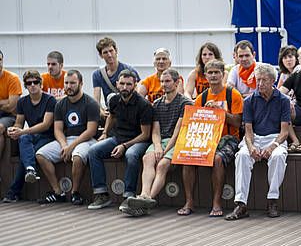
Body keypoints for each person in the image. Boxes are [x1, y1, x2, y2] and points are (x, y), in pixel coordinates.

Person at [121, 69, 193, 216]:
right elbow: (155, 131)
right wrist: (158, 146)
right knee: (147, 158)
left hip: (178, 141)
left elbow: (177, 132)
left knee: (162, 164)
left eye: (167, 81)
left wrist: (165, 152)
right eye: (162, 81)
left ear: (176, 82)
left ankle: (147, 201)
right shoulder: (157, 103)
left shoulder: (185, 103)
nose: (164, 84)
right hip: (161, 140)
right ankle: (144, 195)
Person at [227, 63, 290, 220]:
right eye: (258, 80)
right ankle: (241, 204)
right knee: (241, 156)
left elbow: (284, 132)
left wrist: (272, 146)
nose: (260, 83)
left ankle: (272, 200)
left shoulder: (283, 100)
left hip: (275, 138)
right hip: (254, 138)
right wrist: (251, 147)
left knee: (277, 157)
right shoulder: (249, 101)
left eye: (264, 80)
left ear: (273, 81)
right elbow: (248, 131)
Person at [181, 59, 243, 217]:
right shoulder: (201, 98)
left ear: (223, 74)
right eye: (210, 73)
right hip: (206, 139)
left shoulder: (233, 94)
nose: (214, 75)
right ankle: (189, 202)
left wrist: (220, 111)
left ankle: (217, 202)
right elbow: (194, 122)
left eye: (217, 72)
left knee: (217, 159)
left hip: (229, 139)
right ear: (205, 76)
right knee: (187, 157)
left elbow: (238, 122)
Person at [87, 70, 153, 210]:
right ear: (117, 84)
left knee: (131, 154)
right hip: (118, 138)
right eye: (122, 83)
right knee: (93, 151)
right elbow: (111, 116)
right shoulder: (114, 100)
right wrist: (105, 133)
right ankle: (101, 194)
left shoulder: (144, 105)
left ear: (135, 85)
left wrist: (124, 145)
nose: (125, 87)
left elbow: (145, 135)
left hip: (139, 141)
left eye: (129, 84)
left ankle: (128, 196)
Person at [35, 70, 100, 205]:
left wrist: (71, 146)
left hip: (86, 140)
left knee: (77, 156)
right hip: (67, 140)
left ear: (81, 84)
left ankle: (75, 192)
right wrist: (64, 145)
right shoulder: (60, 104)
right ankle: (58, 192)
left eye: (72, 83)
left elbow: (91, 131)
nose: (69, 86)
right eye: (66, 83)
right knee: (41, 154)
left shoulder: (90, 103)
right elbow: (57, 130)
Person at [2, 71, 56, 202]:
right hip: (31, 136)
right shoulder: (22, 102)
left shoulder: (50, 100)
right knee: (24, 139)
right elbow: (19, 122)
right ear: (25, 86)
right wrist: (14, 129)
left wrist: (23, 132)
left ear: (41, 84)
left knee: (26, 155)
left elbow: (45, 125)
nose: (32, 85)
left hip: (48, 136)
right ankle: (30, 169)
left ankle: (14, 191)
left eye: (35, 82)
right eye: (29, 83)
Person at [92, 37, 140, 120]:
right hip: (111, 111)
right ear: (101, 55)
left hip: (128, 110)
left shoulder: (129, 70)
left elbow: (137, 94)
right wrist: (101, 111)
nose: (109, 55)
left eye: (111, 51)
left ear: (116, 51)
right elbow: (96, 99)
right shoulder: (97, 74)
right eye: (105, 52)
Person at [0, 50, 22, 162]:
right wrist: (5, 101)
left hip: (9, 115)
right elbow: (7, 103)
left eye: (0, 60)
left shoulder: (12, 78)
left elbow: (11, 106)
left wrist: (7, 103)